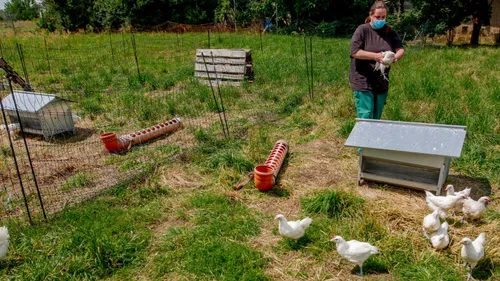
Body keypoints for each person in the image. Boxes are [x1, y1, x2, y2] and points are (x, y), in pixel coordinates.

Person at [349, 1, 405, 120]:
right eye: (377, 17)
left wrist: (394, 57)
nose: (380, 19)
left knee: (376, 117)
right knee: (366, 115)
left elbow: (400, 49)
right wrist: (375, 56)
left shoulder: (389, 32)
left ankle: (373, 138)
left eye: (383, 17)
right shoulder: (362, 30)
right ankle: (363, 138)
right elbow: (355, 52)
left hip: (381, 80)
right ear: (371, 15)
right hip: (362, 79)